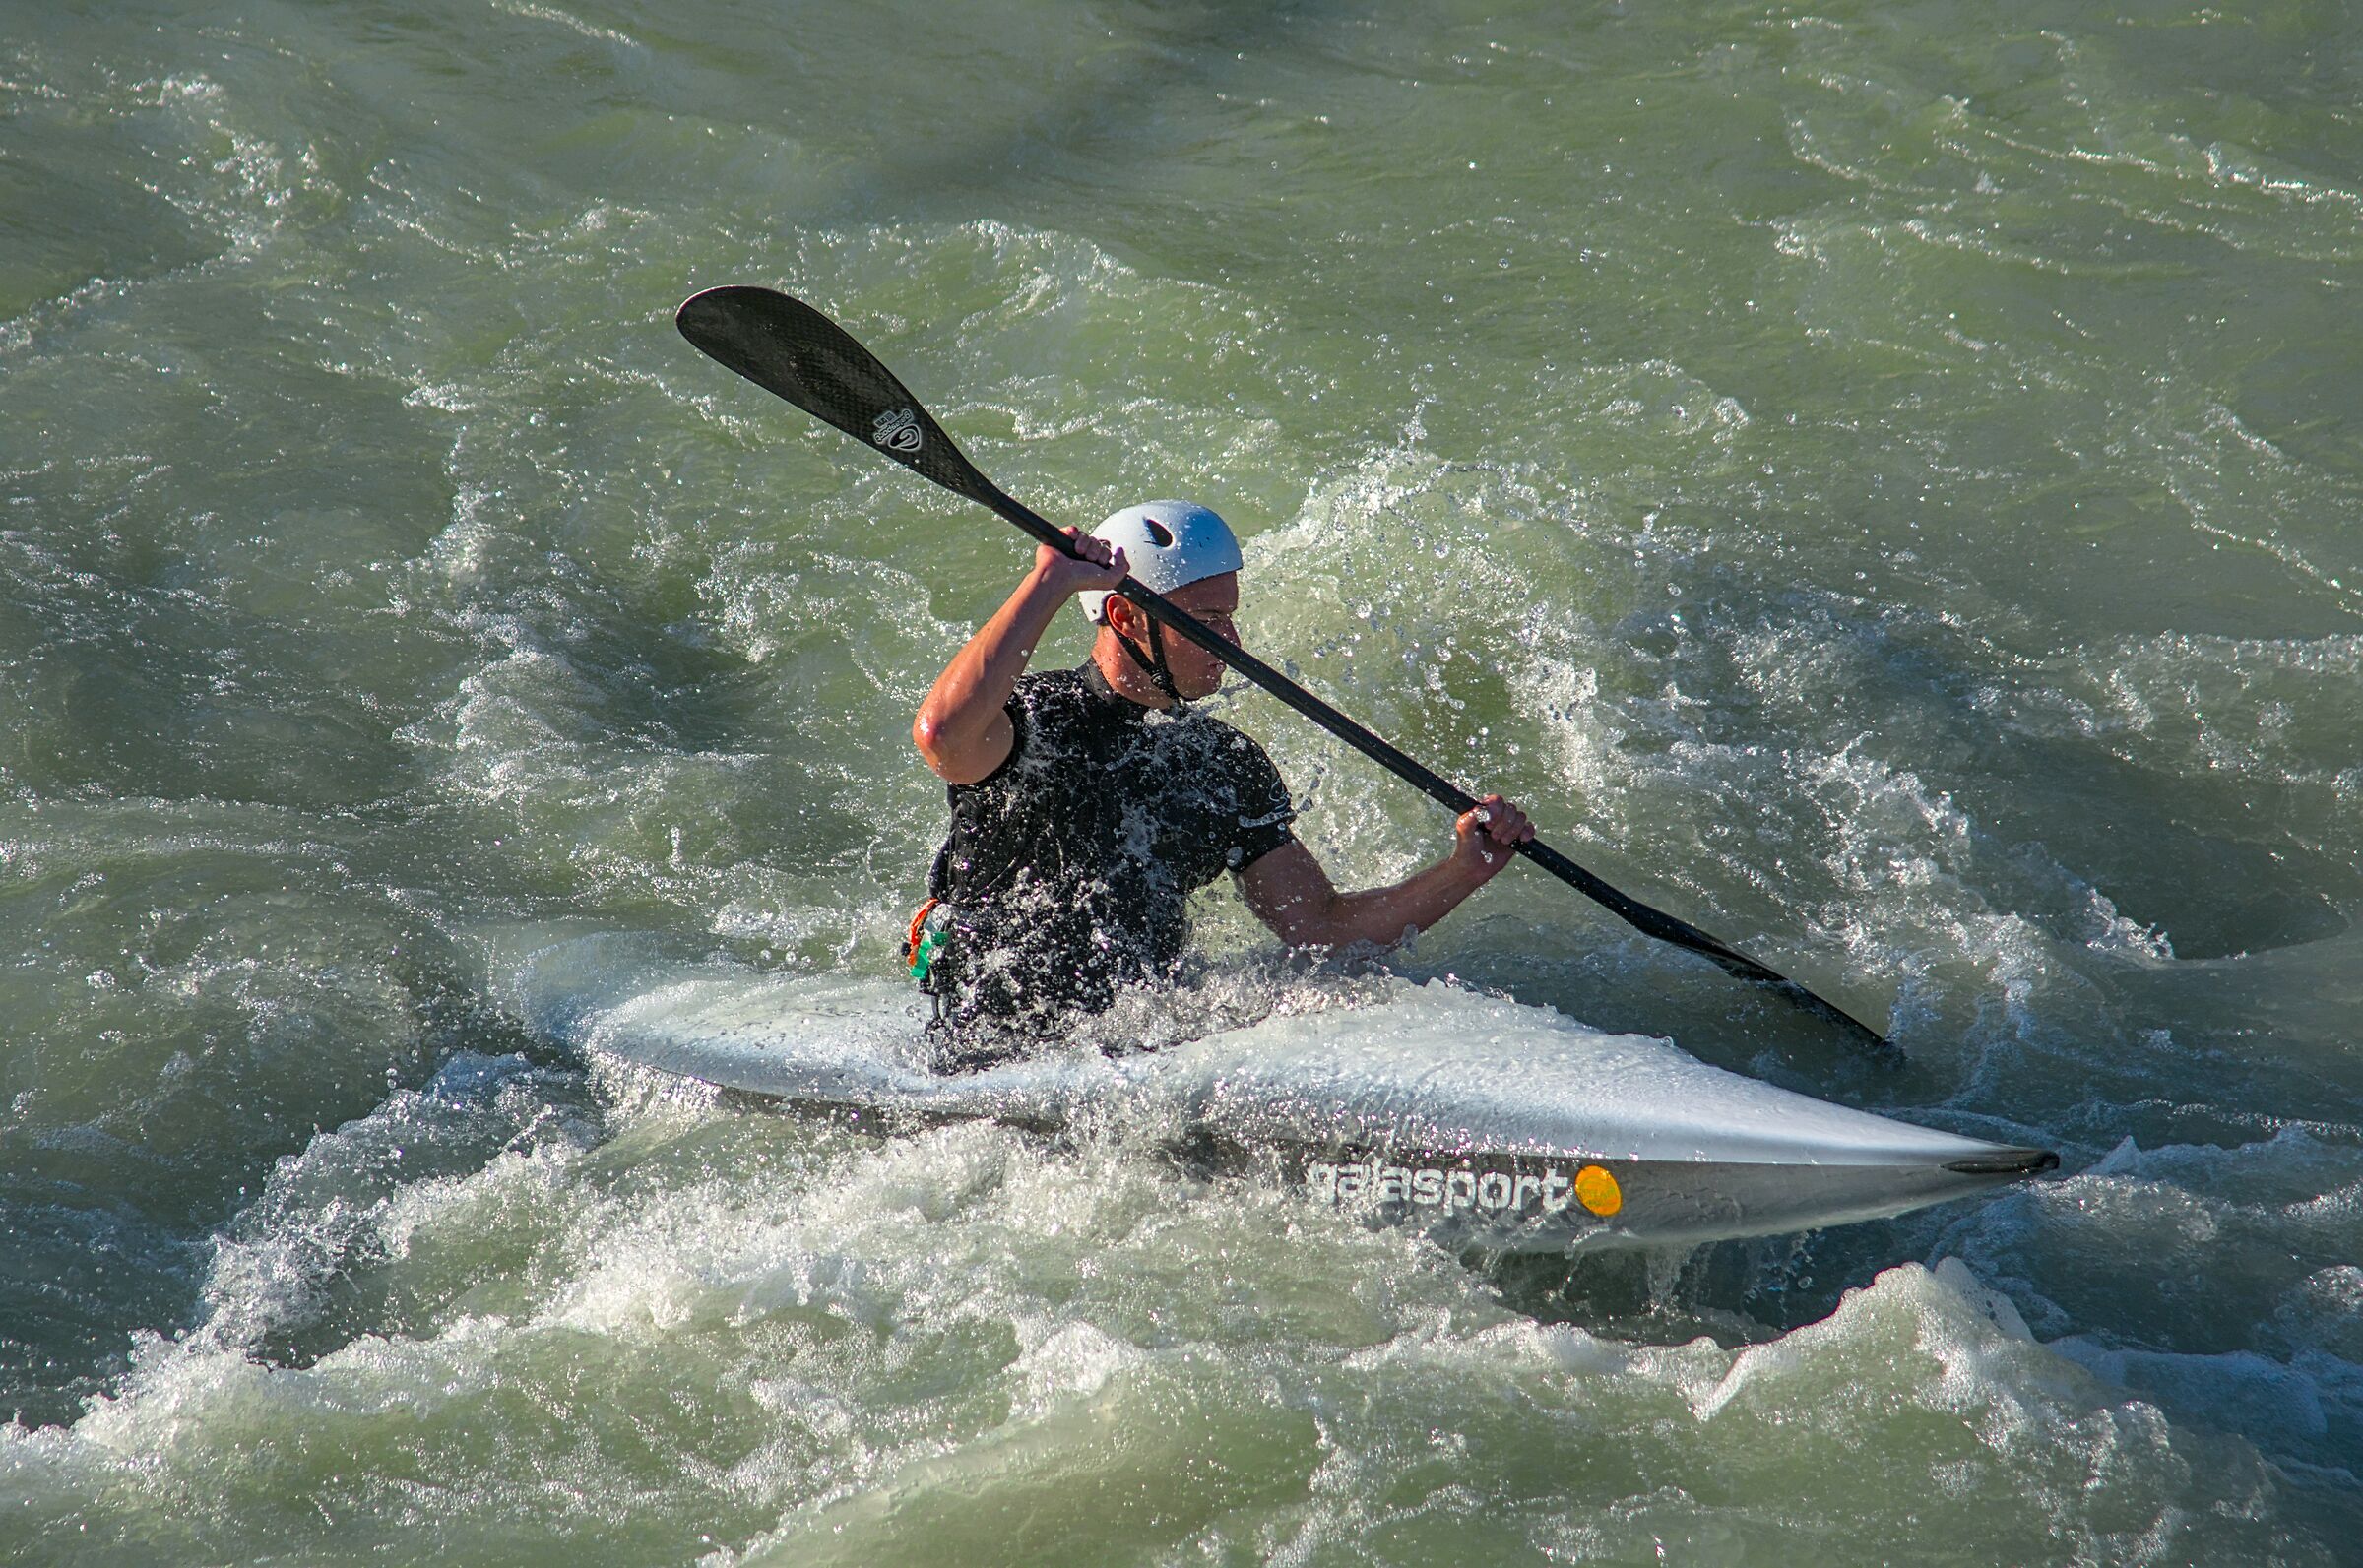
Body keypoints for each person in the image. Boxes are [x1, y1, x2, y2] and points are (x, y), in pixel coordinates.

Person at [909, 500, 1534, 1066]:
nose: (1231, 643)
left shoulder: (1222, 764)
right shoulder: (1031, 721)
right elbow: (942, 734)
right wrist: (1048, 582)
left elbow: (1322, 929)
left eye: (1230, 618)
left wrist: (1463, 870)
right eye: (1208, 621)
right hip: (988, 1051)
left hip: (1132, 1061)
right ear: (1125, 617)